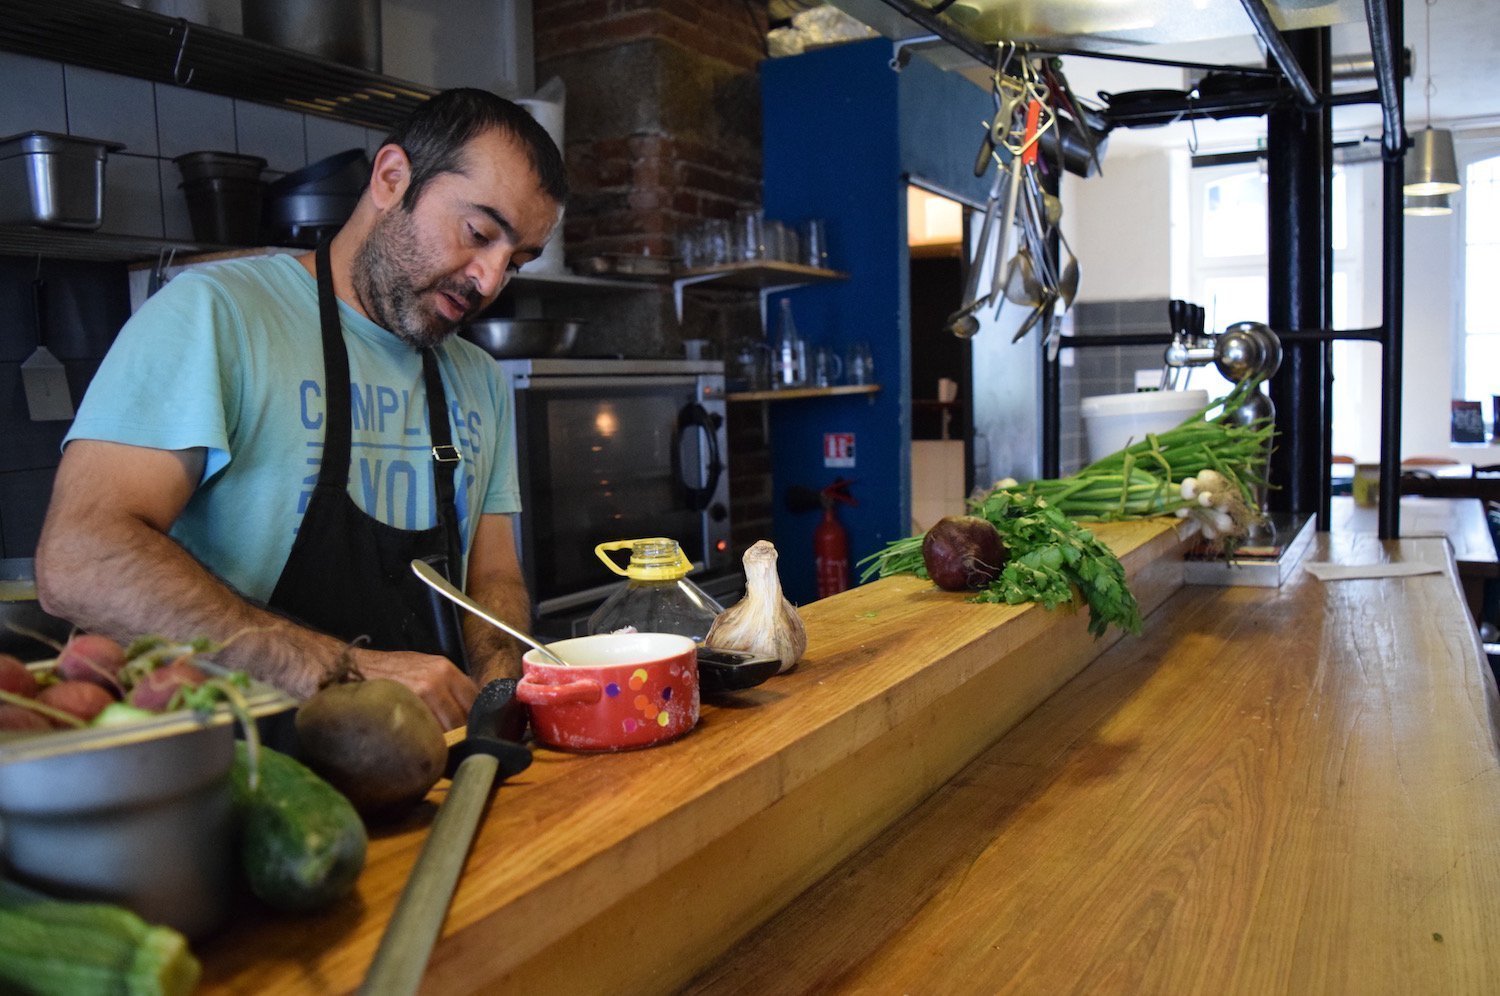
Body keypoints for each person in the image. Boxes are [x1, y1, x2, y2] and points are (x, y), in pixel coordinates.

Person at [34, 88, 567, 730]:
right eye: (478, 233)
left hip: (427, 769)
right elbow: (79, 559)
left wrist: (495, 699)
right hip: (233, 769)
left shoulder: (476, 376)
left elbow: (494, 577)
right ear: (393, 178)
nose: (488, 280)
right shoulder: (215, 315)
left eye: (516, 262)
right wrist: (342, 670)